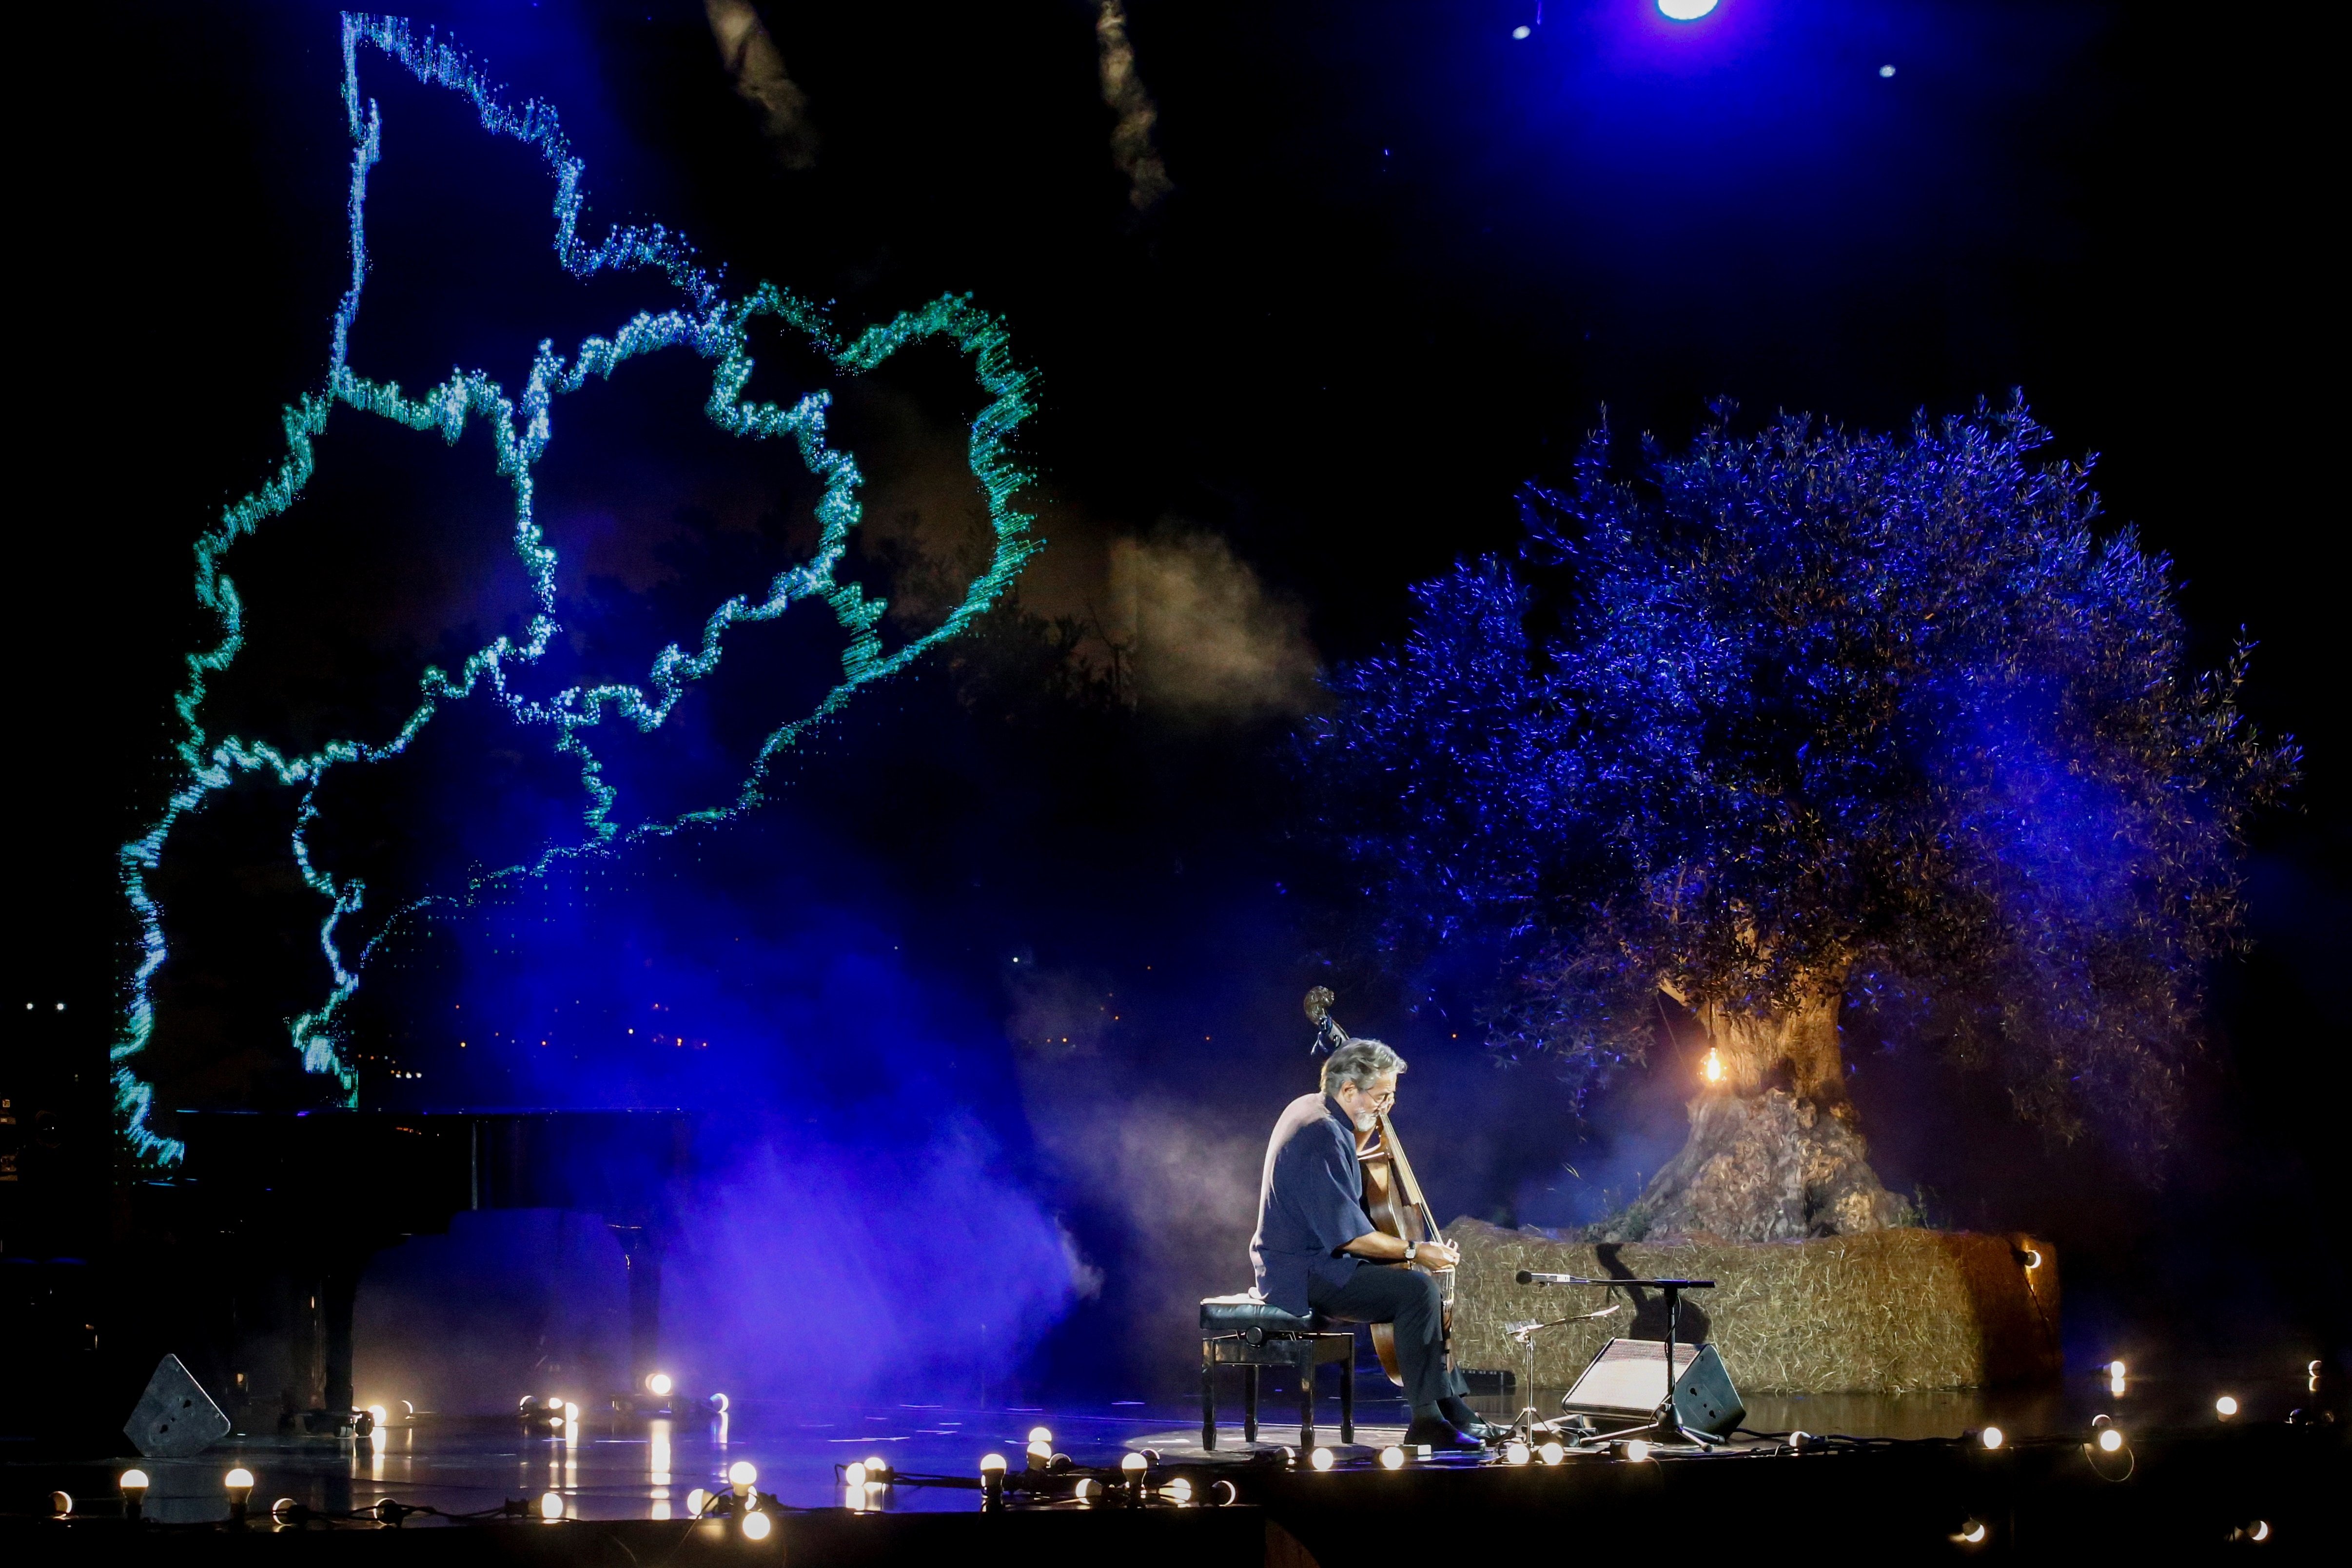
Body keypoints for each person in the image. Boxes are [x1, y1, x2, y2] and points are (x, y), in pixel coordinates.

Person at [1249, 1038, 1490, 1450]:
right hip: (1301, 1273)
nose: (1387, 1108)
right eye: (1381, 1098)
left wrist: (1370, 1122)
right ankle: (1428, 1419)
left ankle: (1449, 1406)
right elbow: (1350, 1237)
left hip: (1313, 1259)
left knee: (1416, 1288)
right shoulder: (1322, 1133)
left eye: (1391, 1099)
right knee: (1416, 1290)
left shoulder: (1313, 1108)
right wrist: (1417, 1251)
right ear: (1348, 1090)